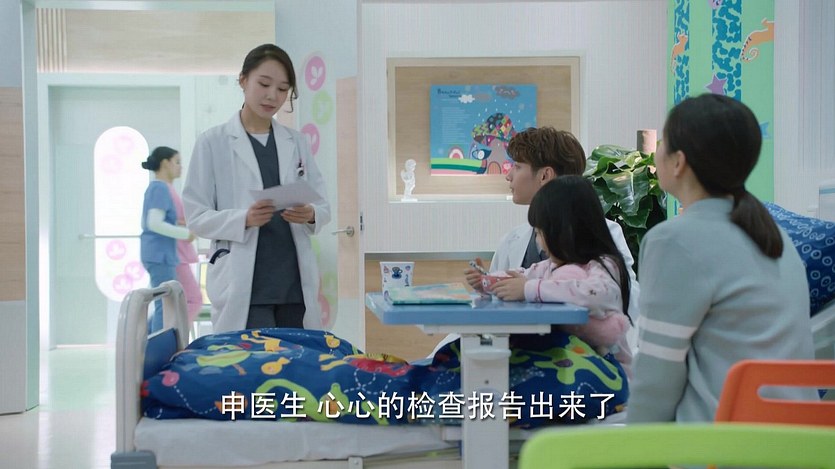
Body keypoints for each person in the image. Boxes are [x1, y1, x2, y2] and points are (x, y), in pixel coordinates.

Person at [627, 94, 817, 423]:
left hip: (723, 442)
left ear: (678, 162)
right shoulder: (774, 235)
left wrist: (633, 447)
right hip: (798, 437)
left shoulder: (673, 240)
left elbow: (657, 378)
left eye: (663, 142)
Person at [183, 44, 330, 333]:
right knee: (253, 359)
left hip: (293, 284)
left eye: (282, 89)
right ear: (243, 80)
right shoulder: (213, 142)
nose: (272, 95)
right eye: (264, 84)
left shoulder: (296, 142)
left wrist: (311, 214)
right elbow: (196, 217)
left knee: (296, 358)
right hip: (245, 285)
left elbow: (322, 204)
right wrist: (244, 219)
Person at [490, 175, 633, 371]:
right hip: (572, 367)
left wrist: (529, 289)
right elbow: (521, 275)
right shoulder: (551, 266)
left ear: (565, 230)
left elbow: (594, 294)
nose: (538, 241)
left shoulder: (605, 265)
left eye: (540, 233)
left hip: (610, 375)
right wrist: (489, 281)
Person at [140, 146, 198, 333]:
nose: (180, 167)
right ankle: (156, 346)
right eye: (177, 162)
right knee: (165, 306)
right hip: (159, 255)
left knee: (166, 304)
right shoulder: (159, 188)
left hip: (162, 255)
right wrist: (186, 234)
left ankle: (145, 342)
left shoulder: (163, 188)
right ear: (165, 164)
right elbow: (154, 223)